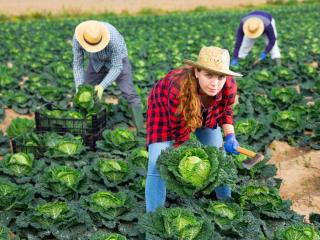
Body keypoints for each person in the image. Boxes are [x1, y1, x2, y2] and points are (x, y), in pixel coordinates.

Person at [145, 46, 243, 212]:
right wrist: (183, 163)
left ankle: (226, 203)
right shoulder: (177, 88)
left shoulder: (228, 85)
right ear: (197, 71)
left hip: (207, 113)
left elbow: (226, 111)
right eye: (209, 75)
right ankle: (154, 215)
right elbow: (179, 133)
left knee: (220, 156)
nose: (215, 83)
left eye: (221, 76)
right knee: (156, 163)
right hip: (164, 112)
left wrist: (230, 136)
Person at [72, 20, 145, 135]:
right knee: (87, 94)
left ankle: (141, 131)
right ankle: (91, 129)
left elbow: (117, 67)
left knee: (129, 93)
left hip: (118, 61)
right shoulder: (78, 39)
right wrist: (79, 87)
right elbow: (77, 64)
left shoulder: (113, 38)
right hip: (96, 63)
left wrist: (102, 86)